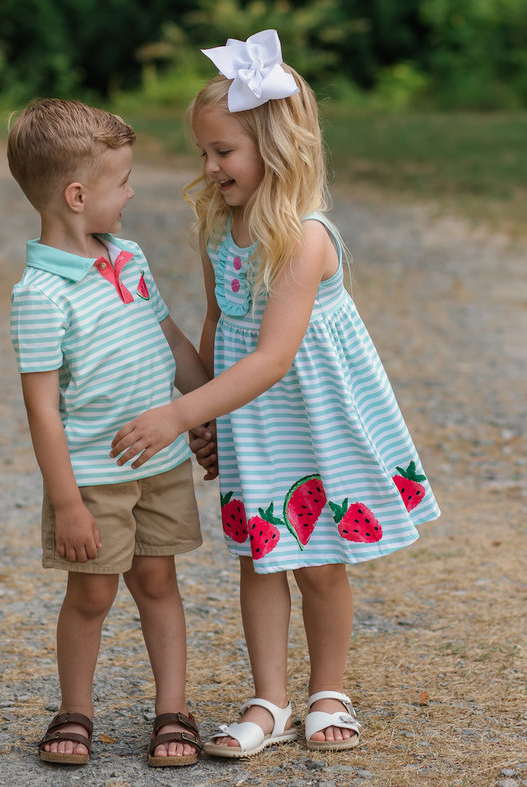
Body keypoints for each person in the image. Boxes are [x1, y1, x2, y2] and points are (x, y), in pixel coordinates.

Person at [109, 30, 441, 757]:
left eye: (223, 151)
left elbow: (273, 356)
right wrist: (205, 416)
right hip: (251, 418)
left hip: (313, 415)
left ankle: (328, 690)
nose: (209, 166)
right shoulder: (217, 227)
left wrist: (177, 414)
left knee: (320, 559)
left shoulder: (304, 236)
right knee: (261, 556)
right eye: (203, 152)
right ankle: (272, 698)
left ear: (277, 144)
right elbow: (219, 325)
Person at [8, 98, 213, 767]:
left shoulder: (128, 255)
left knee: (159, 580)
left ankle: (172, 709)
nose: (130, 192)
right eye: (121, 181)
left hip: (161, 464)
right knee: (92, 590)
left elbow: (171, 339)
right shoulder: (40, 293)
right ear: (77, 194)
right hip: (94, 475)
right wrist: (66, 500)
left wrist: (204, 407)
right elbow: (42, 409)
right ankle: (76, 709)